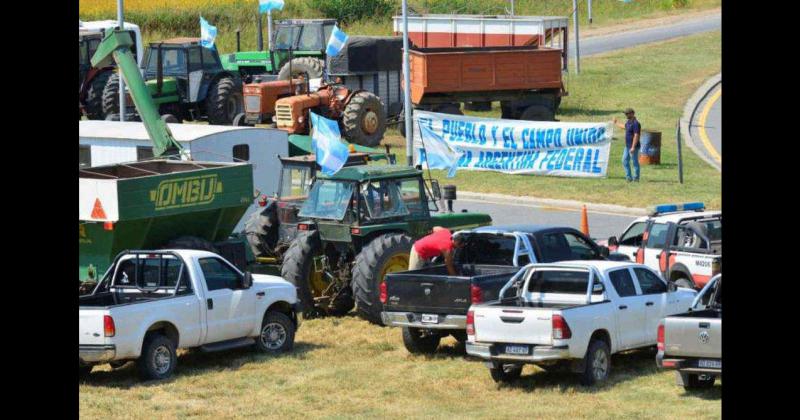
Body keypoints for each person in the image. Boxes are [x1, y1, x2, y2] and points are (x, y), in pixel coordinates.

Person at [613, 108, 641, 182]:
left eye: (627, 113)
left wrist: (633, 147)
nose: (626, 115)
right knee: (624, 161)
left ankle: (636, 178)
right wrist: (616, 123)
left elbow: (636, 135)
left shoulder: (636, 124)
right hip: (627, 146)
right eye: (625, 113)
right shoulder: (628, 122)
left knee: (635, 162)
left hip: (633, 147)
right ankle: (629, 177)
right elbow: (624, 127)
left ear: (632, 113)